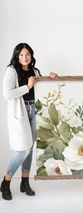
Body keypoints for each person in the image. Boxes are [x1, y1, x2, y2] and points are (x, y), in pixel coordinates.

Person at [1, 43, 57, 200]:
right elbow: (7, 94)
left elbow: (44, 87)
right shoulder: (11, 71)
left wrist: (51, 78)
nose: (24, 57)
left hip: (34, 109)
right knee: (22, 149)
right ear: (16, 56)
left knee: (30, 147)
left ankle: (24, 182)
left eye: (27, 54)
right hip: (21, 112)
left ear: (31, 55)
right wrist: (27, 86)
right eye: (21, 55)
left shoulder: (35, 71)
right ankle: (6, 182)